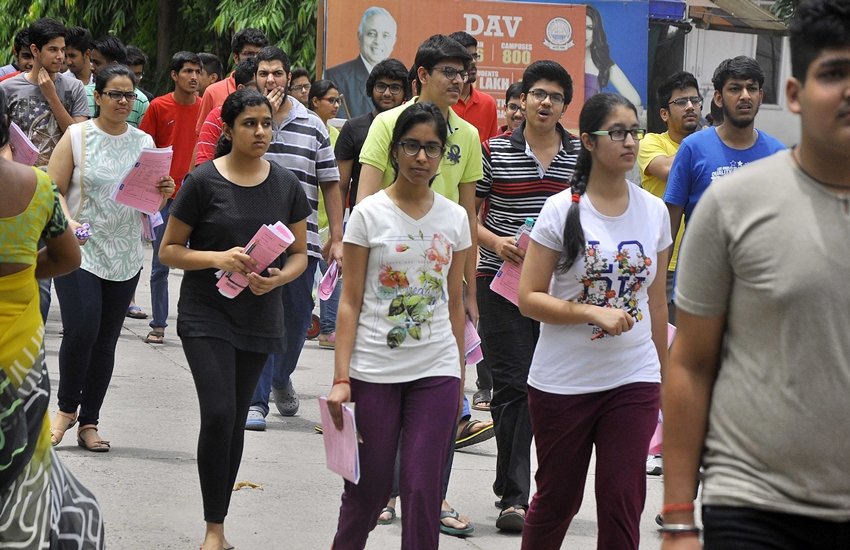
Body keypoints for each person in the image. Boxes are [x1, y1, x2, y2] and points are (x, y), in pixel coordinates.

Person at [661, 2, 850, 548]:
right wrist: (679, 517)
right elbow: (691, 364)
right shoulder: (730, 201)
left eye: (751, 87)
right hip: (754, 500)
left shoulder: (766, 152)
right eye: (833, 74)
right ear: (795, 93)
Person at [517, 92, 670, 549]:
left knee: (623, 499)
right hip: (563, 382)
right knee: (557, 500)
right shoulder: (560, 209)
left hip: (633, 377)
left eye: (634, 131)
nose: (630, 142)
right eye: (617, 132)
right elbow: (528, 298)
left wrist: (664, 379)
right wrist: (590, 311)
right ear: (587, 140)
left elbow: (656, 303)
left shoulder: (654, 211)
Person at [159, 87, 310, 550]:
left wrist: (279, 278)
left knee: (237, 417)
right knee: (219, 412)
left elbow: (300, 255)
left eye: (266, 123)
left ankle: (218, 526)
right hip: (206, 313)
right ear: (228, 129)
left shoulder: (285, 184)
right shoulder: (203, 181)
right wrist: (217, 258)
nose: (260, 131)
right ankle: (212, 530)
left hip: (259, 314)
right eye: (249, 123)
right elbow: (169, 251)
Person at [357, 33, 487, 537]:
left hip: (441, 283)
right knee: (388, 396)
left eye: (464, 72)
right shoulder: (387, 124)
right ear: (423, 76)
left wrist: (469, 290)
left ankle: (432, 494)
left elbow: (469, 213)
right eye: (449, 72)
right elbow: (366, 202)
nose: (459, 80)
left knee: (445, 396)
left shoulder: (468, 135)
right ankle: (384, 491)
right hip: (389, 280)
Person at [327, 101, 471, 550]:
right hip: (374, 370)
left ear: (444, 154)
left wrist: (460, 377)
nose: (421, 157)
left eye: (432, 148)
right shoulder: (368, 214)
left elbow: (454, 303)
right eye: (411, 146)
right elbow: (349, 302)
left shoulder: (455, 218)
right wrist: (341, 379)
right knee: (368, 491)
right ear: (395, 151)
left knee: (422, 489)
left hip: (437, 369)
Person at [47, 64, 175, 452]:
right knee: (82, 329)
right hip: (79, 250)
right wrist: (69, 222)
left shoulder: (144, 142)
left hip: (125, 254)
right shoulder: (77, 136)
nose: (123, 101)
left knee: (105, 341)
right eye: (115, 94)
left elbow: (149, 203)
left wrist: (163, 192)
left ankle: (90, 421)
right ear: (98, 97)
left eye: (129, 95)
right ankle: (65, 410)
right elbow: (52, 189)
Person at [476, 60, 580, 533]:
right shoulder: (494, 150)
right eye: (538, 94)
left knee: (555, 390)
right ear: (522, 100)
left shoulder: (580, 156)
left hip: (560, 290)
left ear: (564, 106)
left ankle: (546, 490)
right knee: (513, 385)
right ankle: (515, 497)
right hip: (501, 283)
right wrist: (495, 242)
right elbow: (467, 214)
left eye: (555, 97)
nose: (545, 103)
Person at [0, 86, 107, 549]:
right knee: (23, 468)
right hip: (19, 360)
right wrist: (23, 268)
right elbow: (68, 258)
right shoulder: (38, 187)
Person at [245, 46, 343, 431]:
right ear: (255, 77)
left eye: (277, 73)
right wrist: (263, 121)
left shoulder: (313, 125)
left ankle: (281, 376)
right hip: (255, 239)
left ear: (289, 77)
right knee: (260, 319)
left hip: (304, 242)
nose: (271, 80)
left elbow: (330, 183)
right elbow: (235, 163)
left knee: (298, 319)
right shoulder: (247, 120)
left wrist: (338, 238)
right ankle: (256, 402)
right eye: (264, 73)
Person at [1, 17, 89, 324]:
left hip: (57, 193)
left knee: (45, 282)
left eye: (63, 49)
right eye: (53, 49)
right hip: (18, 192)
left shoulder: (73, 88)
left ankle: (32, 336)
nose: (60, 56)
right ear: (35, 50)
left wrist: (52, 96)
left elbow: (79, 137)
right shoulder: (8, 89)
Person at [637, 70, 701, 479]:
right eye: (681, 102)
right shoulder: (651, 144)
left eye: (695, 100)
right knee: (662, 358)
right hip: (661, 268)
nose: (691, 106)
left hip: (701, 267)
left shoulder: (707, 145)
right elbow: (675, 171)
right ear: (664, 112)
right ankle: (655, 445)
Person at [664, 56, 785, 251]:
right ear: (718, 98)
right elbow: (669, 227)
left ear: (760, 96)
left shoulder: (777, 154)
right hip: (699, 270)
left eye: (751, 88)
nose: (745, 96)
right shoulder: (693, 148)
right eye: (735, 89)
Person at [139, 51, 202, 346]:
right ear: (174, 75)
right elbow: (144, 149)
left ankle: (194, 323)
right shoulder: (158, 106)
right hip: (164, 196)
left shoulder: (206, 108)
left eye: (197, 71)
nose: (194, 77)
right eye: (188, 71)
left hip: (197, 196)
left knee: (199, 263)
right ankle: (159, 324)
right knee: (160, 263)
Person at [335, 58, 409, 210]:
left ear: (405, 93)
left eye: (395, 88)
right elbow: (341, 186)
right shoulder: (353, 128)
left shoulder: (412, 130)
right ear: (371, 89)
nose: (387, 93)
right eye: (381, 86)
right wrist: (337, 224)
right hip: (363, 215)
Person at [308, 78, 343, 348]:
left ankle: (328, 328)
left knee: (332, 273)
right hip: (305, 217)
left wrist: (336, 228)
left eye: (338, 100)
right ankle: (309, 323)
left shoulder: (336, 136)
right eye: (331, 100)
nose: (336, 105)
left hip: (327, 220)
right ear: (314, 101)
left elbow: (338, 183)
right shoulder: (305, 130)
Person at [326, 6, 397, 119]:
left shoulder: (401, 82)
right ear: (360, 36)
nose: (378, 41)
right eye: (372, 34)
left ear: (394, 41)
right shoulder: (336, 78)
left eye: (385, 35)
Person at [195, 28, 267, 136]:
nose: (255, 59)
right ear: (236, 58)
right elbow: (203, 137)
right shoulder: (213, 92)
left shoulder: (270, 87)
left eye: (259, 55)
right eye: (249, 54)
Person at [195, 58, 258, 166]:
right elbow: (203, 164)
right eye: (258, 86)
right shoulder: (217, 116)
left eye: (266, 124)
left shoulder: (282, 115)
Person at [584, 5, 642, 109]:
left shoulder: (601, 62)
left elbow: (635, 100)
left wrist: (606, 108)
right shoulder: (561, 59)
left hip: (589, 118)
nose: (584, 33)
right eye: (580, 26)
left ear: (595, 31)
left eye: (589, 28)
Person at [86, 36, 149, 127]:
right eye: (115, 95)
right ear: (97, 97)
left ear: (113, 65)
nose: (91, 67)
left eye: (97, 63)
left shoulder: (141, 100)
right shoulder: (83, 93)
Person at [448, 31, 499, 142]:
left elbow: (491, 148)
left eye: (475, 56)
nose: (473, 62)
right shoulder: (442, 101)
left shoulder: (488, 103)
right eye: (467, 58)